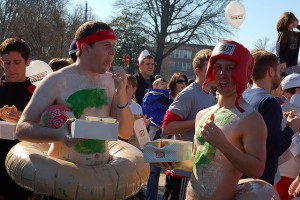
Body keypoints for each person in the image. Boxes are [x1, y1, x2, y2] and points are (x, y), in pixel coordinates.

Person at [16, 21, 133, 171]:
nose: (113, 52)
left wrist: (122, 93)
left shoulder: (111, 81)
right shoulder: (56, 81)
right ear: (85, 48)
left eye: (113, 45)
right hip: (62, 174)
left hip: (100, 174)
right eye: (106, 45)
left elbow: (126, 132)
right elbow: (22, 128)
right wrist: (58, 134)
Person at [158, 40, 268, 199]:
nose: (222, 74)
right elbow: (199, 162)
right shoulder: (202, 115)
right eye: (218, 67)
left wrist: (222, 144)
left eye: (230, 68)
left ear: (242, 71)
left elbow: (257, 169)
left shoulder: (251, 119)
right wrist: (171, 159)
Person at [161, 48, 216, 200]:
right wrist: (200, 120)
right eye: (210, 67)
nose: (215, 71)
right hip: (181, 170)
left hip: (197, 170)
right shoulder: (189, 93)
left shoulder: (211, 96)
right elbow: (167, 127)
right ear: (197, 71)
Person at [242, 49, 300, 185]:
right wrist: (291, 128)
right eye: (279, 72)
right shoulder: (269, 102)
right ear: (271, 72)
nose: (280, 77)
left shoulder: (244, 96)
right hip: (260, 182)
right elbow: (274, 148)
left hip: (241, 176)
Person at [0, 38, 36, 199]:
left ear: (27, 62)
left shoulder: (37, 93)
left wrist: (28, 120)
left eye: (17, 62)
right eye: (7, 62)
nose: (11, 68)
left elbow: (49, 130)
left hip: (22, 166)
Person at [142, 77, 172, 200]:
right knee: (154, 171)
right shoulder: (150, 95)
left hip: (163, 133)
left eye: (165, 83)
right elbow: (147, 110)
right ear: (154, 86)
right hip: (156, 131)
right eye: (161, 83)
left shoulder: (170, 98)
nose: (164, 84)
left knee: (158, 170)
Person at [275, 73, 300, 200]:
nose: (286, 100)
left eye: (287, 96)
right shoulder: (283, 109)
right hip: (282, 173)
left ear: (297, 91)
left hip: (293, 177)